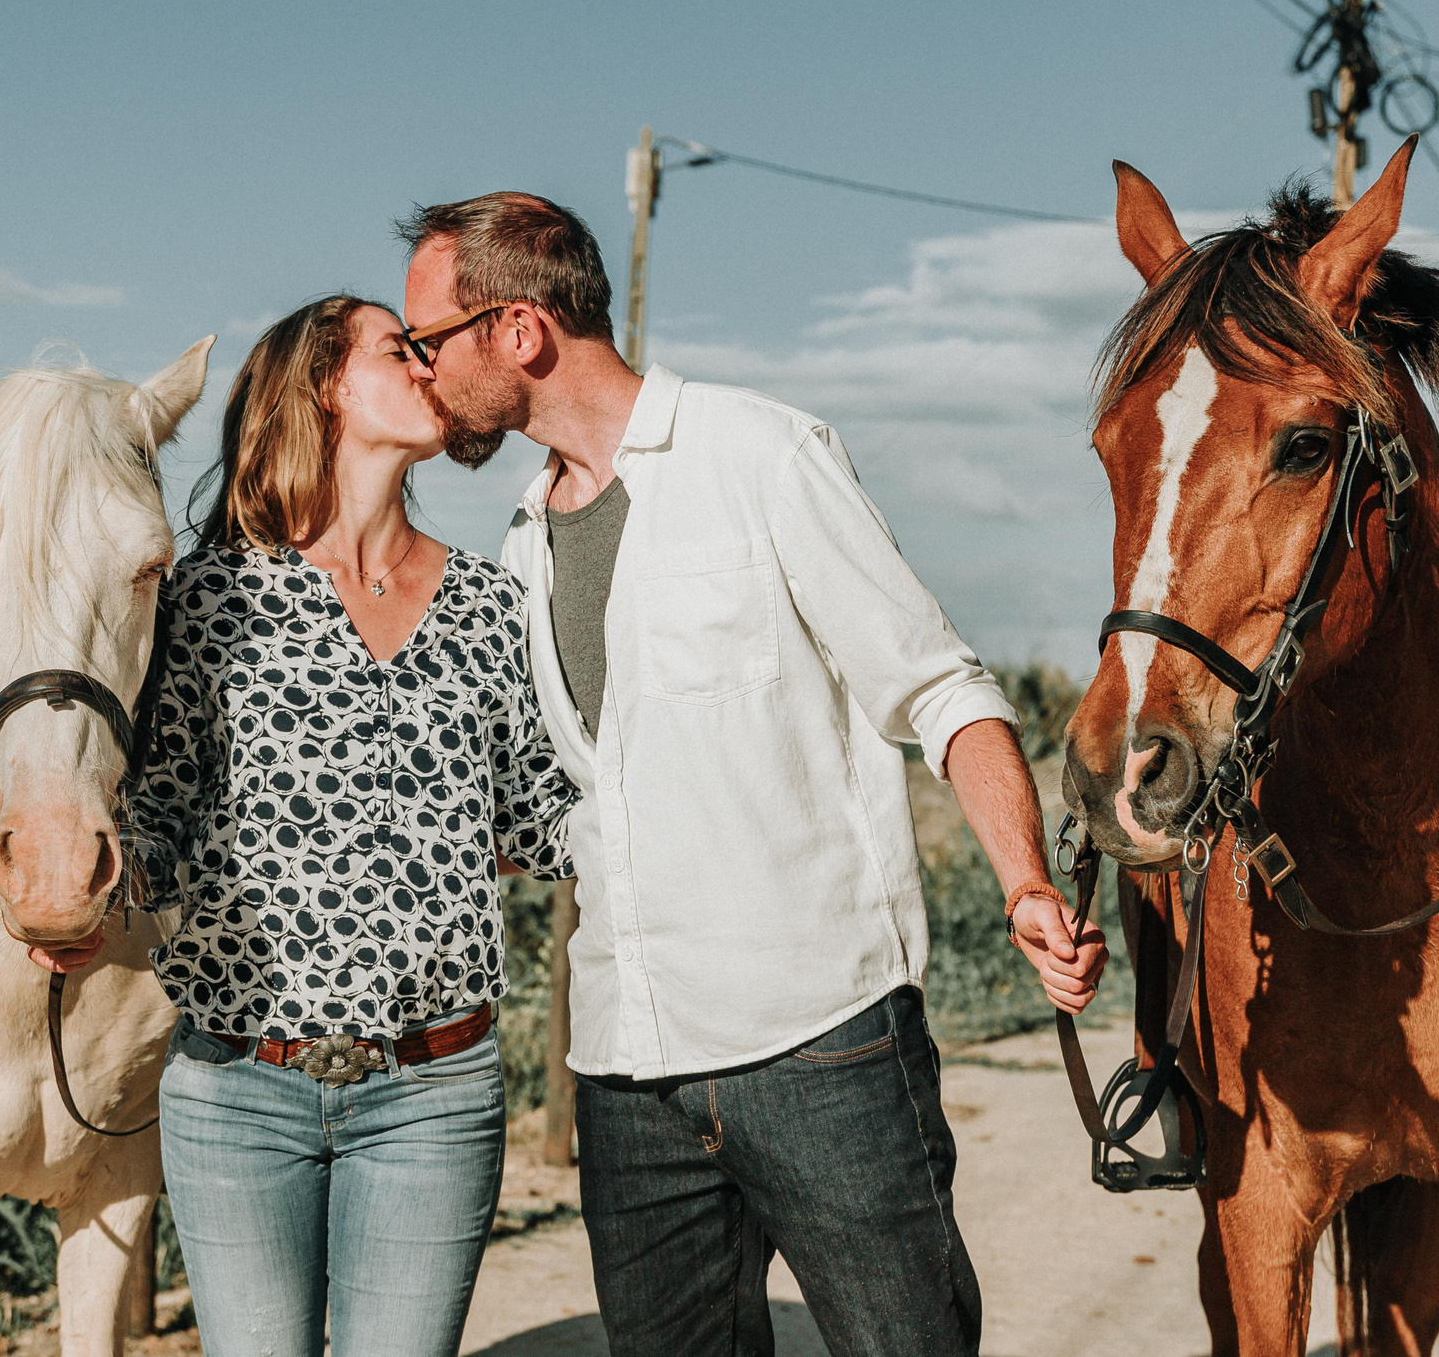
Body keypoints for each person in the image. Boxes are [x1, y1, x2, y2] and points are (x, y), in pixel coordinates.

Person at [396, 193, 1107, 1357]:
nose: (422, 372)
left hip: (820, 1044)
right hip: (626, 1072)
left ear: (518, 331)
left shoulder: (762, 455)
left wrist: (1025, 883)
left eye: (431, 343)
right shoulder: (523, 541)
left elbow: (939, 687)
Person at [118, 295, 577, 1357]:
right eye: (398, 348)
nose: (428, 366)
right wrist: (96, 881)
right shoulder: (209, 598)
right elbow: (156, 810)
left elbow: (542, 820)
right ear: (324, 385)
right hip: (238, 1091)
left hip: (434, 1092)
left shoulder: (486, 607)